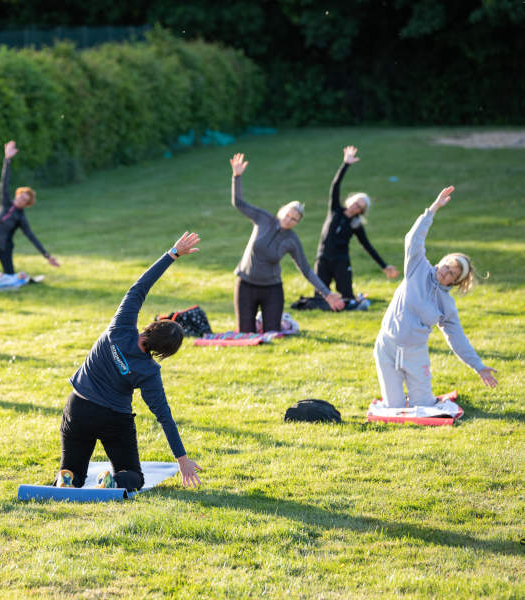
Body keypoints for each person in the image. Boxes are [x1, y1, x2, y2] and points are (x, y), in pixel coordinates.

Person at [55, 232, 203, 491]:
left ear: (152, 326)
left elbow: (140, 287)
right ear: (164, 351)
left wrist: (173, 253)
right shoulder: (149, 371)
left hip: (78, 407)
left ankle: (67, 477)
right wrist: (182, 459)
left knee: (74, 470)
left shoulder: (120, 327)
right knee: (133, 476)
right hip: (114, 418)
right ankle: (114, 479)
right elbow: (164, 416)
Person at [373, 186, 498, 407]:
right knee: (393, 407)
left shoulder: (446, 304)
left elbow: (457, 338)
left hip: (415, 354)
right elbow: (413, 239)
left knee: (424, 406)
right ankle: (400, 398)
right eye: (446, 266)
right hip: (387, 348)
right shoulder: (417, 268)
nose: (445, 272)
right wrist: (432, 210)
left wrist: (478, 366)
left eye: (452, 273)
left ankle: (423, 396)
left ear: (455, 282)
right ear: (441, 261)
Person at [229, 153, 344, 333]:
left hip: (272, 289)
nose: (289, 219)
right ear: (281, 211)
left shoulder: (292, 240)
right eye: (288, 214)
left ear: (297, 223)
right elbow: (239, 203)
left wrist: (327, 294)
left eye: (294, 219)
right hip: (245, 284)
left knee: (273, 334)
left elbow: (306, 270)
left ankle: (278, 322)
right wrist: (237, 177)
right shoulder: (263, 219)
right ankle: (257, 323)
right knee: (246, 334)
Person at [314, 145, 398, 300]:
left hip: (340, 260)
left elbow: (367, 245)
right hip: (323, 257)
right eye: (355, 203)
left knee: (348, 298)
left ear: (361, 211)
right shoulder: (335, 210)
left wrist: (384, 266)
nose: (355, 207)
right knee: (319, 297)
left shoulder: (356, 225)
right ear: (350, 201)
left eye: (359, 206)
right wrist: (346, 164)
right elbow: (335, 186)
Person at [0, 140, 59, 281]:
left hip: (4, 249)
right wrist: (7, 160)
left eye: (24, 199)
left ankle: (26, 279)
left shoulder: (20, 218)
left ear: (26, 204)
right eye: (20, 196)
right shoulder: (5, 203)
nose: (20, 199)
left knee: (11, 280)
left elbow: (31, 237)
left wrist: (47, 256)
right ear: (17, 194)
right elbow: (4, 182)